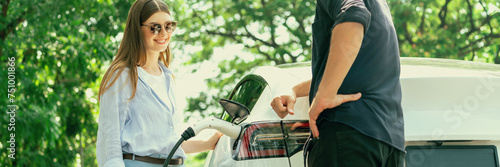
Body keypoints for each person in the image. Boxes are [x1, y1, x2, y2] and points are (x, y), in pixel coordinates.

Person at [270, 0, 405, 166]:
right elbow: (349, 69)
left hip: (347, 134)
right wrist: (295, 90)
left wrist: (325, 95)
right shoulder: (380, 5)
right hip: (390, 144)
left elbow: (354, 15)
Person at [96, 0, 221, 166]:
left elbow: (169, 142)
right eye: (155, 27)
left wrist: (207, 143)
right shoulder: (122, 76)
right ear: (137, 29)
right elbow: (109, 144)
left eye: (168, 26)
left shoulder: (168, 78)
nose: (163, 33)